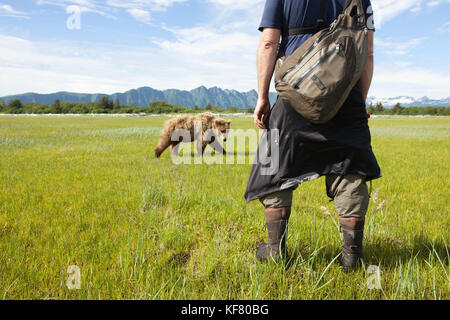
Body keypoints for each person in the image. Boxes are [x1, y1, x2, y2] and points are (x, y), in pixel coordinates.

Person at [245, 0, 381, 271]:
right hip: (346, 95)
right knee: (350, 168)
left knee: (274, 164)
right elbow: (367, 53)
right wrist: (357, 101)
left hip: (295, 90)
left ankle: (274, 250)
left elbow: (269, 43)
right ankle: (351, 257)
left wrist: (262, 96)